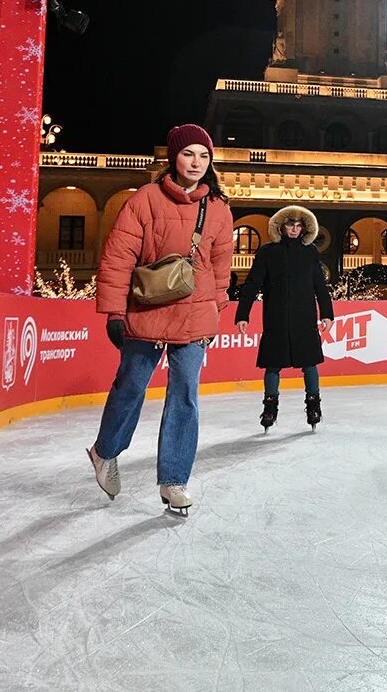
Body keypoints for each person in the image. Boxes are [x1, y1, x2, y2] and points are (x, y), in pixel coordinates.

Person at [89, 124, 234, 517]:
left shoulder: (218, 208)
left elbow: (222, 265)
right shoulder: (144, 200)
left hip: (196, 313)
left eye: (204, 156)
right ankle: (105, 453)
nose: (197, 163)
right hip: (148, 307)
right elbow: (118, 257)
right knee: (131, 387)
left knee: (185, 396)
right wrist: (114, 311)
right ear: (174, 157)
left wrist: (217, 304)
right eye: (189, 154)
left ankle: (174, 478)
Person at [235, 205, 334, 431]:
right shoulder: (267, 252)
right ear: (281, 226)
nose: (294, 229)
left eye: (299, 226)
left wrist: (327, 313)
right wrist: (243, 314)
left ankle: (314, 406)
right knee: (272, 365)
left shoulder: (310, 253)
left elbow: (320, 285)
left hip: (304, 317)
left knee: (310, 364)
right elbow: (252, 284)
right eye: (291, 225)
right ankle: (270, 408)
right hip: (276, 317)